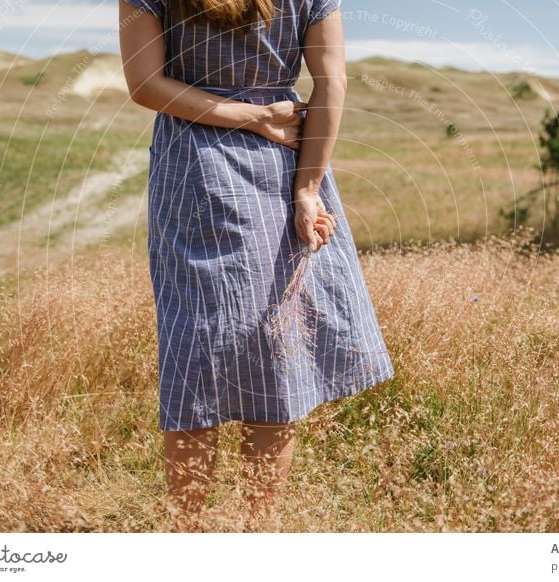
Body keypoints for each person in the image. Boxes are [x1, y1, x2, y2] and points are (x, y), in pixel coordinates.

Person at [119, 0, 395, 532]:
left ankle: (188, 534)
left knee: (195, 348)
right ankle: (259, 534)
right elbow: (331, 85)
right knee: (275, 344)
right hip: (286, 161)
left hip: (195, 160)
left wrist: (250, 118)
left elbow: (146, 85)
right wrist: (308, 187)